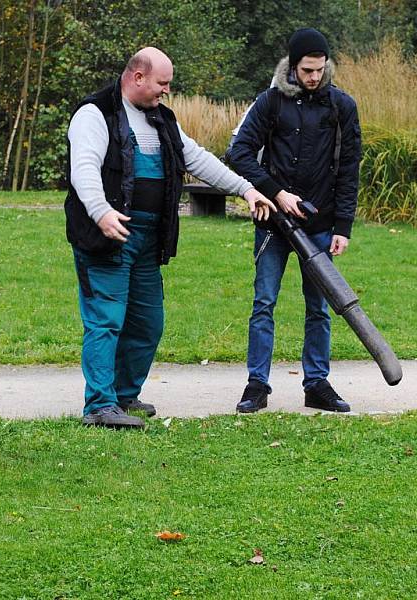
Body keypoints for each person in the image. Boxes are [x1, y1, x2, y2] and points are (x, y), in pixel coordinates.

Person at [65, 46, 275, 429]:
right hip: (106, 237)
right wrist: (101, 211)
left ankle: (125, 395)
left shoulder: (162, 120)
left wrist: (246, 189)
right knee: (106, 320)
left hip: (148, 240)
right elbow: (84, 168)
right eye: (162, 83)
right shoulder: (94, 114)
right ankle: (99, 405)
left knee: (148, 322)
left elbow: (196, 158)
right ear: (138, 76)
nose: (166, 91)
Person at [228, 28, 362, 414]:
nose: (314, 77)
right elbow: (239, 152)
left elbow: (349, 169)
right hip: (274, 224)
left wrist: (343, 227)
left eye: (320, 69)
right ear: (292, 66)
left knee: (319, 307)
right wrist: (275, 192)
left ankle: (316, 384)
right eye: (307, 70)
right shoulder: (269, 103)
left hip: (320, 227)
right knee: (264, 302)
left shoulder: (342, 107)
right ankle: (257, 385)